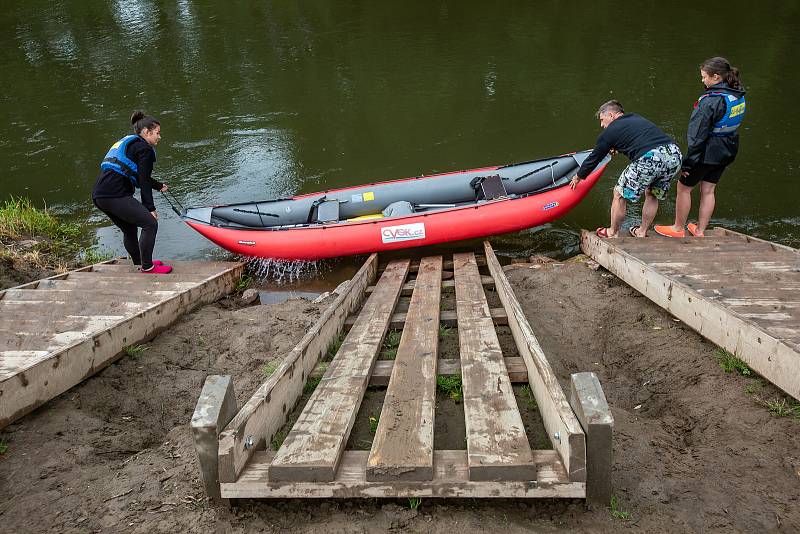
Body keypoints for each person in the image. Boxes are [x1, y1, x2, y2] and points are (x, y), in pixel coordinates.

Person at [655, 57, 746, 238]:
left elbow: (697, 137)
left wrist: (688, 163)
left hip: (707, 152)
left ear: (716, 77)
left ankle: (677, 228)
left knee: (683, 188)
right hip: (727, 150)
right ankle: (700, 231)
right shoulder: (737, 94)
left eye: (704, 77)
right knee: (709, 190)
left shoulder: (710, 101)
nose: (702, 80)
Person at [570, 100, 682, 238]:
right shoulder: (635, 117)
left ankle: (612, 232)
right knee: (652, 194)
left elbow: (594, 158)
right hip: (673, 154)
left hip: (650, 157)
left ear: (611, 115)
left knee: (619, 194)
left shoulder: (610, 131)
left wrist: (579, 176)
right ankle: (642, 232)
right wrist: (616, 146)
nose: (602, 125)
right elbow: (638, 137)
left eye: (602, 120)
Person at [92, 111, 172, 273]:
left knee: (129, 229)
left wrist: (158, 185)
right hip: (115, 195)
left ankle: (140, 264)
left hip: (100, 195)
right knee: (150, 224)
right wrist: (150, 207)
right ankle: (148, 267)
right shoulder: (145, 149)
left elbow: (137, 174)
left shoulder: (132, 144)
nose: (159, 137)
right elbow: (142, 180)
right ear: (146, 132)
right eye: (157, 133)